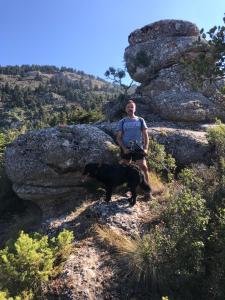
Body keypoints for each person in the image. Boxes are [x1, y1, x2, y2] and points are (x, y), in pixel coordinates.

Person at [116, 99, 154, 200]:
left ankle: (147, 192)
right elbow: (118, 137)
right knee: (125, 168)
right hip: (126, 148)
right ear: (126, 109)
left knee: (143, 167)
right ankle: (128, 189)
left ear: (135, 108)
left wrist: (145, 148)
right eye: (128, 107)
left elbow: (146, 136)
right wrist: (124, 149)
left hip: (138, 147)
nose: (130, 109)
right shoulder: (122, 121)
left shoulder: (140, 120)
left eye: (132, 107)